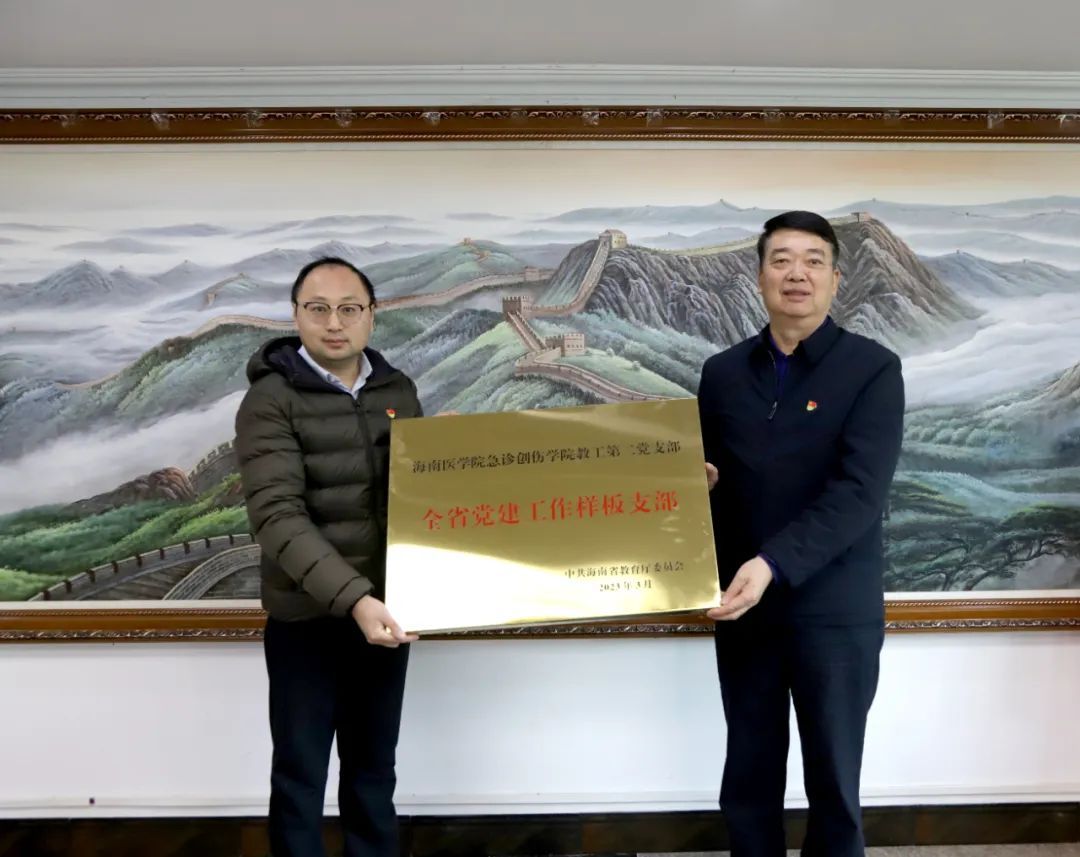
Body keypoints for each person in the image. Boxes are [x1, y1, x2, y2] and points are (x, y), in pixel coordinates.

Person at [697, 211, 905, 856]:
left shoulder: (872, 369)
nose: (797, 274)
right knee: (748, 778)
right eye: (781, 259)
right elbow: (708, 476)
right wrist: (692, 484)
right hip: (745, 607)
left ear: (836, 280)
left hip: (834, 609)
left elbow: (859, 493)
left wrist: (773, 563)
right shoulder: (722, 373)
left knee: (834, 783)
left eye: (814, 261)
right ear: (759, 276)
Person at [235, 256, 423, 857]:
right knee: (300, 776)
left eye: (349, 309)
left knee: (373, 773)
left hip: (385, 619)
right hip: (306, 622)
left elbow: (425, 495)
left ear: (372, 315)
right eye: (318, 309)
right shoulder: (270, 400)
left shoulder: (397, 390)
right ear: (296, 316)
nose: (334, 323)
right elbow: (277, 516)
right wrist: (356, 600)